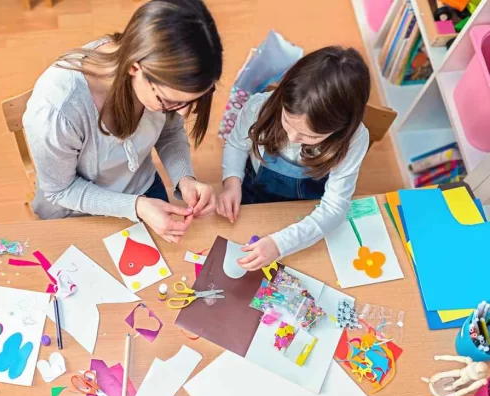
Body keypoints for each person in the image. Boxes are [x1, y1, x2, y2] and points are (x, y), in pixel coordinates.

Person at [23, 0, 222, 243]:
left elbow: (169, 133)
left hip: (143, 190)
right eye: (170, 102)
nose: (182, 114)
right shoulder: (58, 109)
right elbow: (60, 190)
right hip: (78, 210)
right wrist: (137, 206)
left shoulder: (161, 78)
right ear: (134, 68)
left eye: (191, 101)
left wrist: (185, 178)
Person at [216, 46, 371, 270]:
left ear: (342, 129)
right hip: (251, 193)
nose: (293, 137)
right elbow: (236, 145)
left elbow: (334, 208)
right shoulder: (260, 106)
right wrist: (231, 182)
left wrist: (280, 244)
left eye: (310, 136)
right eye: (287, 120)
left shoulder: (354, 140)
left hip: (306, 211)